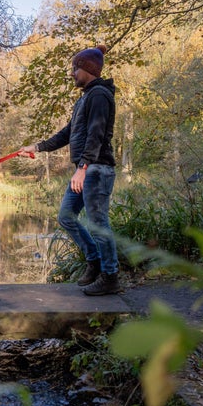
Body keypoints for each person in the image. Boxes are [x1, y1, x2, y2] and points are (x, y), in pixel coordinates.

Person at [18, 45, 120, 296]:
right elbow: (68, 133)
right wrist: (37, 147)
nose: (72, 73)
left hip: (96, 169)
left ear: (87, 69)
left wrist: (82, 168)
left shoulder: (99, 95)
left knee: (98, 224)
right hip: (86, 169)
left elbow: (96, 135)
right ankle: (94, 261)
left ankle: (110, 276)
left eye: (75, 68)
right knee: (66, 216)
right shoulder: (84, 98)